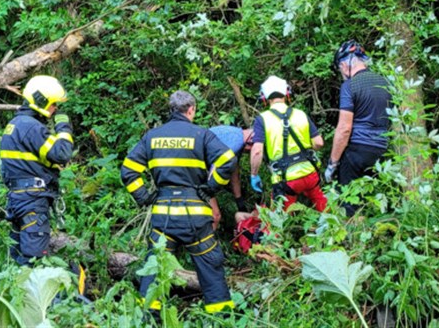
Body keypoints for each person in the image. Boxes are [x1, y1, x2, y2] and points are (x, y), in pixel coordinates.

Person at [121, 90, 238, 317]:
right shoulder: (201, 134)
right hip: (196, 218)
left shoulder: (152, 136)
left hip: (163, 219)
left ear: (171, 109)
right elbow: (228, 160)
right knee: (210, 270)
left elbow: (128, 170)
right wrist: (211, 187)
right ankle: (221, 318)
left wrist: (144, 197)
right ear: (191, 109)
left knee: (155, 268)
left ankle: (149, 318)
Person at [0, 75, 74, 266]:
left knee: (18, 258)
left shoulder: (15, 125)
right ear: (41, 100)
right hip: (32, 201)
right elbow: (62, 153)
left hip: (18, 198)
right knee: (34, 261)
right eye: (53, 104)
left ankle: (15, 293)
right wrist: (63, 126)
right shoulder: (31, 127)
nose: (55, 109)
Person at [324, 40, 392, 217]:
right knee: (376, 201)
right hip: (382, 150)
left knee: (349, 202)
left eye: (340, 68)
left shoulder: (350, 86)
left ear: (345, 64)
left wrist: (333, 163)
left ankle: (351, 239)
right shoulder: (386, 83)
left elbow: (344, 128)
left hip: (356, 151)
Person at [249, 76, 326, 212]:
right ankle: (340, 227)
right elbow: (319, 143)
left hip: (286, 179)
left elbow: (257, 151)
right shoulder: (300, 114)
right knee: (324, 207)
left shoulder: (262, 119)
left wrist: (254, 174)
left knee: (280, 222)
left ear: (264, 98)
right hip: (310, 174)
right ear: (287, 94)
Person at [208, 125, 254, 225]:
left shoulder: (238, 136)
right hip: (195, 171)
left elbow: (234, 174)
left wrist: (240, 202)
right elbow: (213, 167)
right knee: (215, 215)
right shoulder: (236, 143)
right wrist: (207, 191)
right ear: (250, 142)